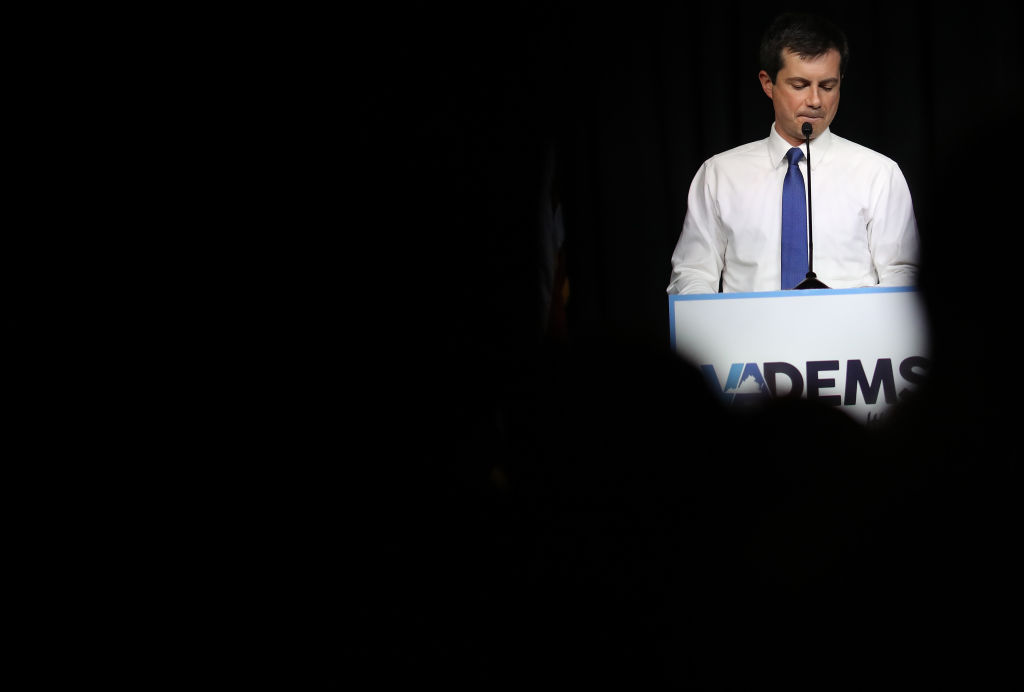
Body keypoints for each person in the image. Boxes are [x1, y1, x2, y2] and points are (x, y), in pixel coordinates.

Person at [666, 12, 920, 294]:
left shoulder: (878, 174)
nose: (815, 100)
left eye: (827, 86)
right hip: (748, 336)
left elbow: (902, 272)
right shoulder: (719, 174)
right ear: (767, 84)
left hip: (850, 337)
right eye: (799, 85)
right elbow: (692, 273)